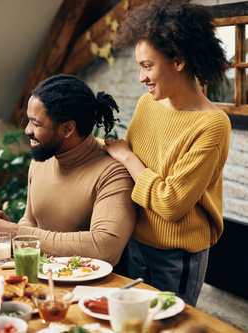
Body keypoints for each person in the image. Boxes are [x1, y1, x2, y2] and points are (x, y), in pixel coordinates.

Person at [103, 0, 231, 306]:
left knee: (170, 327)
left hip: (177, 257)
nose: (141, 77)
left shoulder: (212, 125)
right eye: (139, 67)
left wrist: (128, 157)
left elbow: (171, 203)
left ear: (178, 60)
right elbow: (127, 167)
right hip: (135, 243)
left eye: (147, 66)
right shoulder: (147, 104)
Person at [0, 74, 137, 267]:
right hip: (44, 281)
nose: (27, 130)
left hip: (90, 291)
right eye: (29, 121)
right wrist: (8, 227)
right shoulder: (43, 156)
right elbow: (29, 222)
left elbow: (105, 248)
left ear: (67, 129)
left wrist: (19, 234)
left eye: (36, 124)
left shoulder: (113, 173)